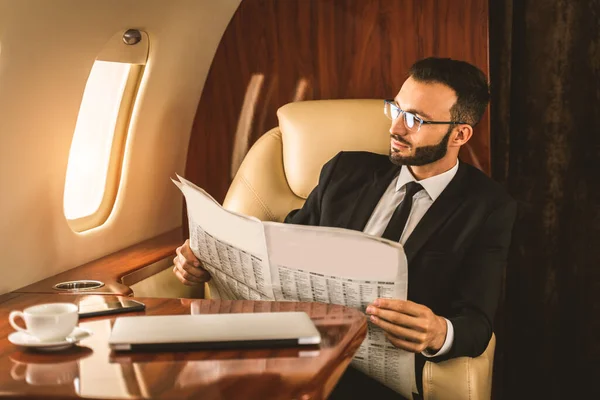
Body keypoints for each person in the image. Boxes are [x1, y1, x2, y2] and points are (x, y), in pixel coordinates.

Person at [172, 57, 517, 399]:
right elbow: (275, 250)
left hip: (372, 378)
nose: (396, 127)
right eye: (395, 109)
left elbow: (476, 322)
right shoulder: (344, 172)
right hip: (295, 348)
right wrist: (206, 259)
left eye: (415, 119)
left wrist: (437, 332)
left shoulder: (487, 208)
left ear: (459, 133)